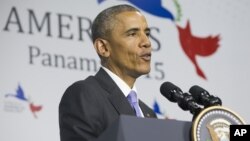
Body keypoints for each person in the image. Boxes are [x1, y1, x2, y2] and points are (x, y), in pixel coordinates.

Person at [59, 4, 157, 141]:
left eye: (146, 34)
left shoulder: (148, 113)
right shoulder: (85, 94)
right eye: (132, 34)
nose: (146, 42)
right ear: (103, 47)